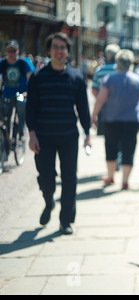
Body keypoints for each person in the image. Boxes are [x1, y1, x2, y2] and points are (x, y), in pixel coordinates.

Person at [26, 32, 91, 235]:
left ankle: (66, 221)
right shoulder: (38, 77)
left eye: (63, 48)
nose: (59, 51)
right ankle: (48, 202)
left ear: (67, 52)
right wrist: (32, 134)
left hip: (68, 136)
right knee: (46, 177)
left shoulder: (76, 78)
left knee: (70, 178)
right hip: (43, 137)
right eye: (55, 47)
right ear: (49, 51)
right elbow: (31, 108)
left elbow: (83, 108)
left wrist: (88, 133)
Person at [91, 49, 139, 190]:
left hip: (111, 119)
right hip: (132, 120)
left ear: (117, 63)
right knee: (129, 149)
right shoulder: (138, 80)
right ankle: (125, 181)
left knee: (111, 148)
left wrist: (94, 115)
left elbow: (100, 100)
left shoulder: (109, 79)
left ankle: (110, 177)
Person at [0, 39, 35, 140]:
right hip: (6, 94)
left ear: (18, 51)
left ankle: (21, 131)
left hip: (21, 93)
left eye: (13, 51)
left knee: (21, 104)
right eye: (9, 51)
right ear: (6, 51)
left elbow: (31, 80)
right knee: (4, 116)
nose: (11, 53)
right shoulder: (2, 63)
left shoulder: (24, 63)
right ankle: (5, 137)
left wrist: (28, 92)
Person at [92, 44, 120, 135]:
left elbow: (94, 90)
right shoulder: (120, 71)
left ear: (106, 56)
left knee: (106, 136)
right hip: (118, 107)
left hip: (103, 107)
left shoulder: (99, 71)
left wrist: (101, 100)